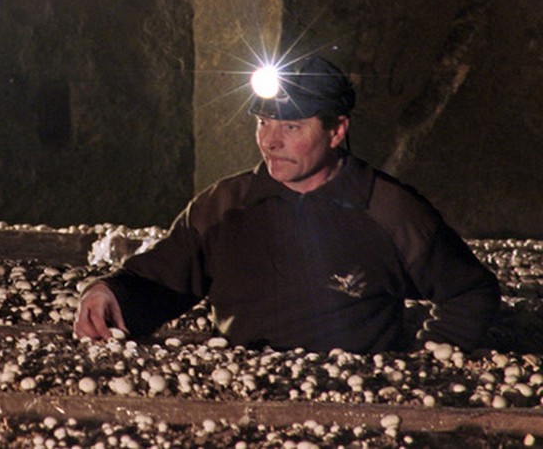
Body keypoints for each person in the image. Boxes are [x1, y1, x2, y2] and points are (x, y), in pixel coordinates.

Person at [73, 55, 500, 353]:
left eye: (291, 126)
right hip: (243, 401)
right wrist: (111, 292)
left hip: (352, 410)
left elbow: (469, 292)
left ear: (337, 132)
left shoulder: (389, 210)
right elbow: (163, 281)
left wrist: (426, 360)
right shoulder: (224, 206)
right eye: (263, 123)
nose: (270, 141)